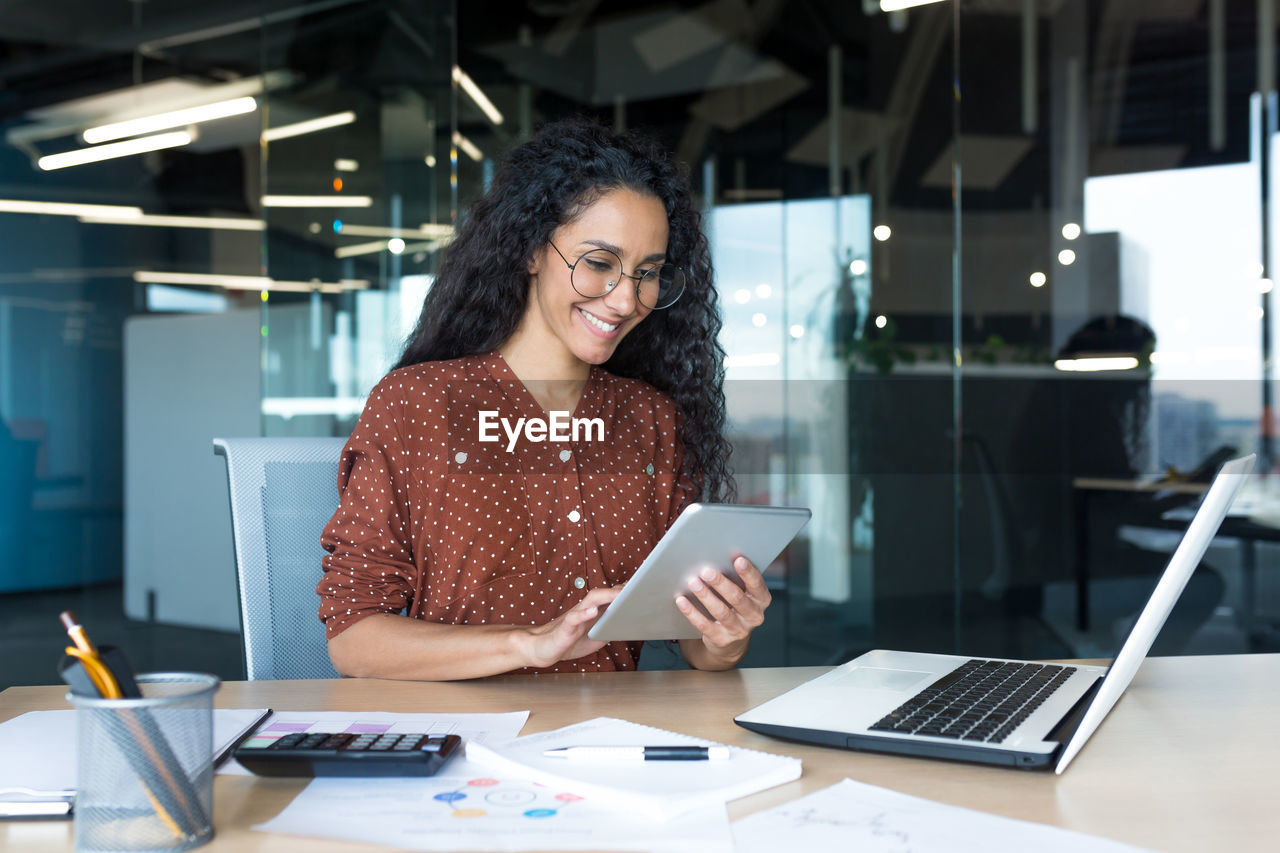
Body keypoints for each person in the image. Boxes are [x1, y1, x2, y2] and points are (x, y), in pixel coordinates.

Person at [317, 117, 768, 680]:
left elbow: (697, 643)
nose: (626, 299)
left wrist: (726, 634)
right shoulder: (419, 405)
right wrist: (527, 645)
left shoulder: (651, 420)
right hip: (467, 743)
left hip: (607, 745)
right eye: (600, 263)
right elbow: (354, 638)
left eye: (647, 273)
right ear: (531, 251)